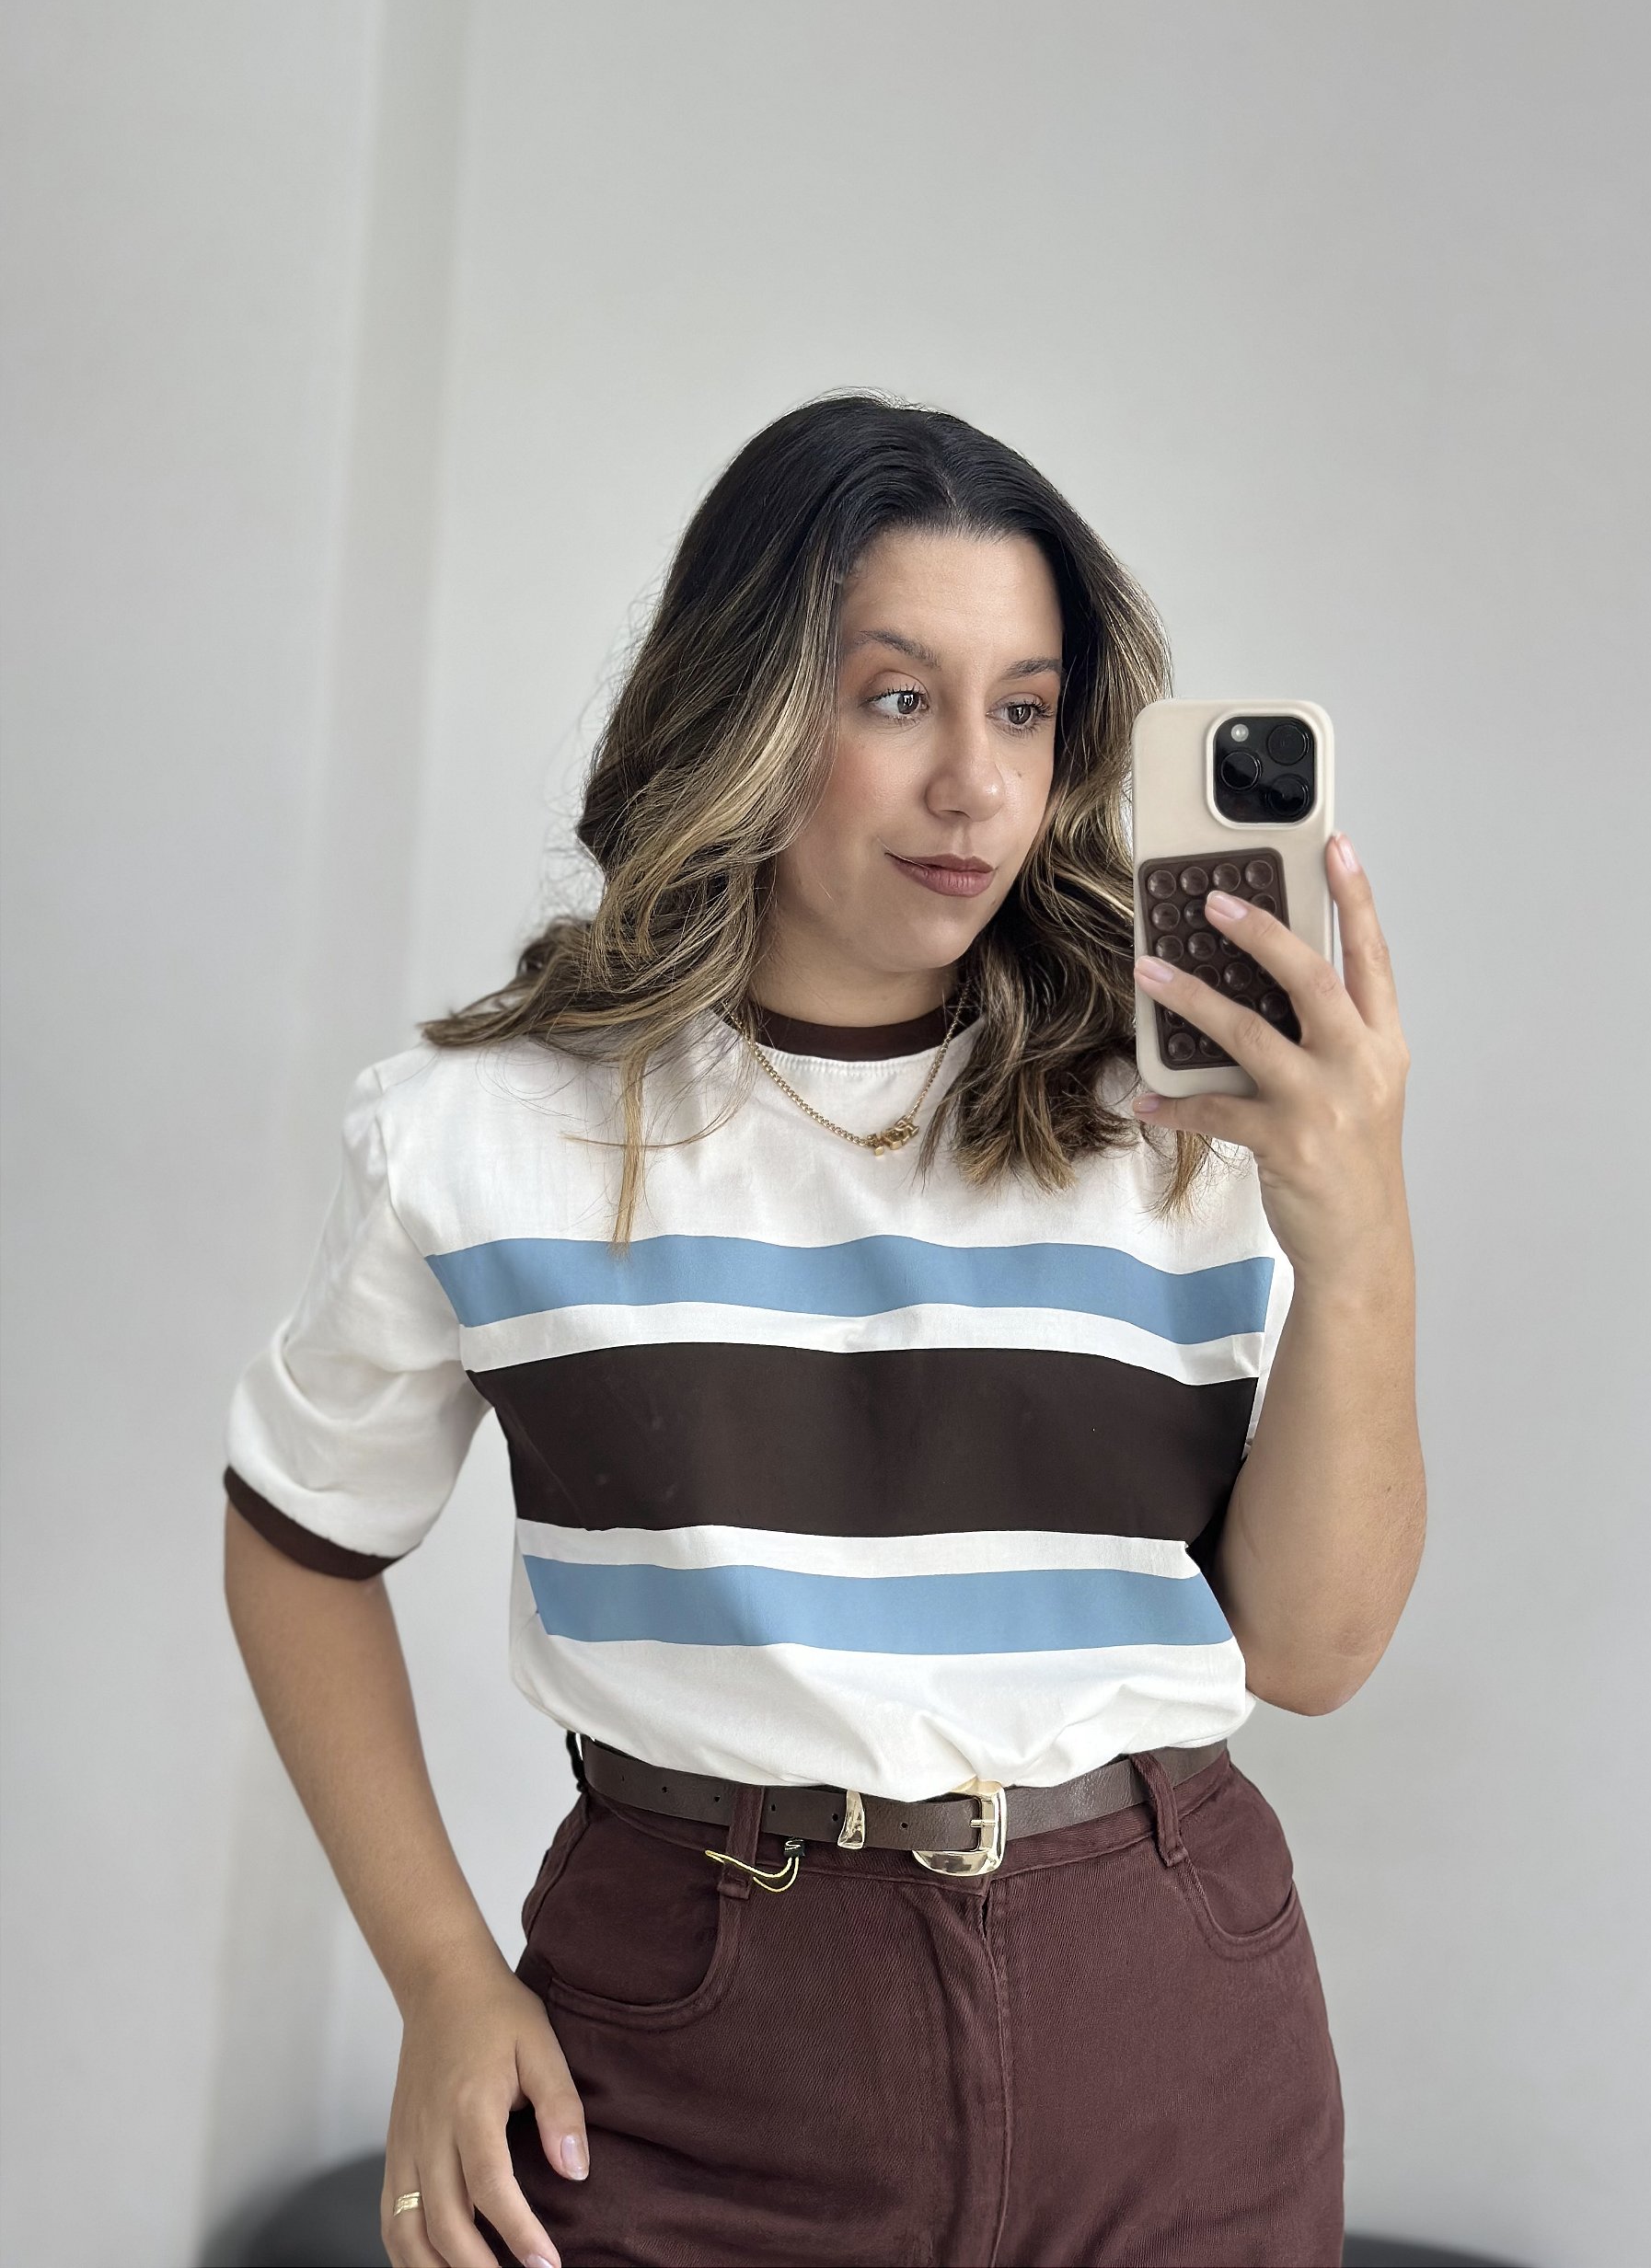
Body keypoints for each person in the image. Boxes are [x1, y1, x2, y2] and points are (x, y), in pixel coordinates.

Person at [222, 391, 1423, 2268]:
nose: (974, 787)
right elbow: (299, 1541)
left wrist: (1357, 1238)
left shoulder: (1176, 1122)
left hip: (1168, 2020)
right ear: (748, 708)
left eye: (1022, 709)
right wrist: (441, 1974)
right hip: (688, 2038)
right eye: (896, 698)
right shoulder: (479, 1138)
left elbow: (1315, 1651)